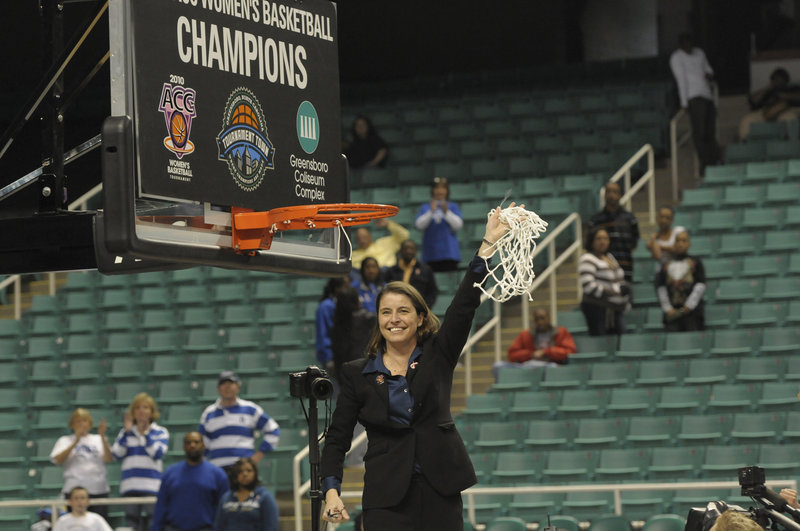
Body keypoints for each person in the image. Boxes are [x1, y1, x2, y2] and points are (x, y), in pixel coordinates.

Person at [320, 202, 518, 531]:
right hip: (386, 497)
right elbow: (338, 438)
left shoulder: (439, 352)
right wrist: (331, 492)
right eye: (386, 312)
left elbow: (464, 305)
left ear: (420, 317)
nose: (394, 320)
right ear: (377, 318)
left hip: (441, 487)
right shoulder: (358, 373)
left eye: (403, 311)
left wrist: (488, 245)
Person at [111, 392, 170, 531]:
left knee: (153, 523)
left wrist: (145, 434)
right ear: (133, 412)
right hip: (130, 486)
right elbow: (116, 454)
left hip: (152, 487)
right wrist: (126, 432)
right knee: (132, 525)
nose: (141, 411)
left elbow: (157, 453)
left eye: (145, 407)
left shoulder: (160, 432)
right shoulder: (125, 432)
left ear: (152, 412)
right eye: (137, 408)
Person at [198, 371, 280, 469]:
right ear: (218, 388)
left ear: (238, 387)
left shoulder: (251, 409)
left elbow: (273, 430)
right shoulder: (208, 413)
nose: (227, 387)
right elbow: (202, 443)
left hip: (243, 470)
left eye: (231, 383)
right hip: (217, 470)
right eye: (223, 383)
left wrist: (258, 456)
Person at [151, 431, 229, 531]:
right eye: (188, 442)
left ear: (203, 445)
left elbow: (223, 509)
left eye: (196, 442)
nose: (192, 445)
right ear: (183, 447)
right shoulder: (170, 474)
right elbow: (161, 506)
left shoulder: (218, 475)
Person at [669, 32, 720, 175]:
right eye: (685, 44)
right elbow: (681, 80)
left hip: (707, 95)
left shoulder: (699, 53)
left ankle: (715, 160)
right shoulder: (676, 58)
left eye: (690, 43)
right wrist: (684, 103)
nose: (689, 47)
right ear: (680, 45)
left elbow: (708, 68)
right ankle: (705, 163)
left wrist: (709, 73)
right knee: (700, 132)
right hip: (693, 97)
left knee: (710, 131)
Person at [49, 408, 113, 519]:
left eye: (84, 420)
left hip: (98, 490)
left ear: (89, 423)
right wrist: (75, 442)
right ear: (72, 424)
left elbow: (109, 459)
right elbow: (57, 460)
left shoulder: (98, 439)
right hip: (74, 491)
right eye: (78, 421)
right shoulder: (64, 440)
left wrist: (103, 437)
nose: (81, 424)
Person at [493, 308, 576, 380]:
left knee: (553, 368)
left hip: (549, 366)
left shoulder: (561, 332)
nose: (539, 322)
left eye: (542, 318)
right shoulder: (526, 334)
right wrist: (531, 354)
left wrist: (546, 352)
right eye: (536, 319)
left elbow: (570, 351)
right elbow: (512, 355)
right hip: (527, 366)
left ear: (549, 318)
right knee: (498, 366)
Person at [588, 181, 640, 284]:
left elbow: (635, 241)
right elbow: (590, 245)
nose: (611, 195)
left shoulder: (630, 218)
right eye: (608, 192)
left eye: (615, 192)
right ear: (604, 195)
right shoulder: (595, 220)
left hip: (625, 266)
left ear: (620, 195)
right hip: (602, 271)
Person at [579, 228, 628, 336]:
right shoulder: (587, 258)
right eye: (599, 238)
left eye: (606, 238)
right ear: (591, 241)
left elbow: (619, 278)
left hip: (615, 309)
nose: (603, 241)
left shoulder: (610, 257)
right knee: (602, 343)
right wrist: (616, 291)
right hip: (597, 310)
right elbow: (588, 286)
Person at [656, 231, 706, 332]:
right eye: (677, 241)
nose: (680, 244)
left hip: (692, 314)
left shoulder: (696, 262)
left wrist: (689, 306)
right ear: (673, 243)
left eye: (684, 241)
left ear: (688, 244)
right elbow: (660, 287)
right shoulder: (665, 264)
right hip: (672, 313)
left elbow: (700, 284)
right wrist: (668, 308)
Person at [213, 457, 279, 531]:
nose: (245, 474)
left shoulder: (264, 497)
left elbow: (271, 526)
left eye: (249, 471)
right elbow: (218, 526)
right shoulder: (226, 498)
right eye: (240, 471)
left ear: (255, 473)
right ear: (235, 476)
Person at [414, 177, 463, 272]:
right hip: (430, 254)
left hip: (449, 254)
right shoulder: (425, 207)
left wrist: (446, 212)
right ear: (433, 191)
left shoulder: (452, 206)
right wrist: (431, 211)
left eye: (443, 188)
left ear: (447, 191)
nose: (440, 191)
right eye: (437, 188)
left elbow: (458, 225)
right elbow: (419, 225)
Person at [740, 67, 800, 140]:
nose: (779, 81)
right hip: (766, 112)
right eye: (776, 79)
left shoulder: (792, 89)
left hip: (785, 111)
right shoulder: (768, 91)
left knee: (789, 118)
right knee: (747, 119)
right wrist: (768, 88)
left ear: (786, 80)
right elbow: (753, 100)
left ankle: (789, 142)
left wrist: (784, 95)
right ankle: (745, 141)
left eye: (781, 79)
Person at [330, 287, 376, 379]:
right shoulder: (366, 318)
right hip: (364, 368)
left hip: (344, 371)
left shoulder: (336, 322)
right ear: (355, 301)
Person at [384, 239, 439, 308]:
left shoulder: (425, 269)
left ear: (416, 250)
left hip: (418, 307)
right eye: (406, 248)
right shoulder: (392, 271)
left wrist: (425, 307)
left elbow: (432, 291)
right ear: (401, 251)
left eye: (411, 248)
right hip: (395, 307)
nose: (408, 251)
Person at [315, 276, 351, 370]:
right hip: (333, 360)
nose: (349, 289)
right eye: (346, 286)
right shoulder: (325, 307)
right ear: (337, 288)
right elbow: (322, 335)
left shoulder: (350, 305)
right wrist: (329, 360)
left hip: (348, 357)